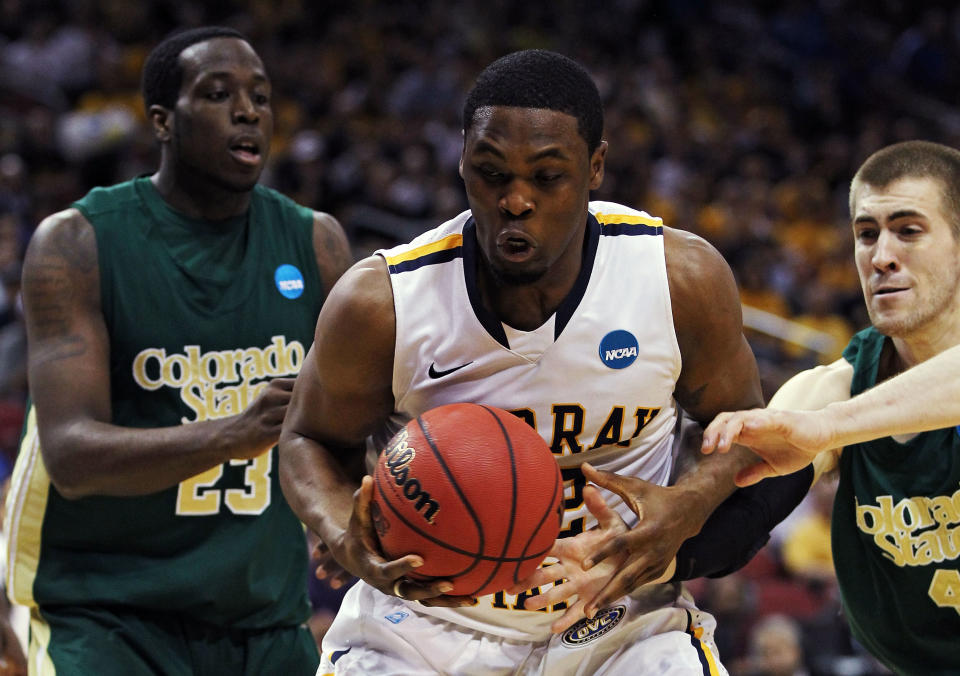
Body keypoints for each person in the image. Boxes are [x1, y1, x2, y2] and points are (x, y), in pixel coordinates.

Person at [278, 49, 795, 675]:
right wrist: (343, 533)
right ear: (463, 165)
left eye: (546, 177)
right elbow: (308, 436)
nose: (515, 200)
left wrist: (688, 505)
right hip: (430, 617)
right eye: (491, 174)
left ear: (595, 166)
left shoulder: (676, 279)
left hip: (617, 613)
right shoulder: (383, 301)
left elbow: (745, 432)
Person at [3, 26, 353, 675]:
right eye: (218, 94)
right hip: (106, 613)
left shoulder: (317, 244)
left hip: (261, 616)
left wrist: (348, 510)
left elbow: (357, 417)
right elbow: (72, 456)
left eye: (261, 96)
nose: (248, 111)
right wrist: (233, 432)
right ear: (162, 121)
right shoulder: (78, 245)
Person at [702, 140, 960, 675]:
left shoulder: (829, 415)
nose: (880, 256)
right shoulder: (831, 388)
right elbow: (736, 517)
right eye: (867, 234)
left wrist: (825, 430)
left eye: (908, 230)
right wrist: (645, 542)